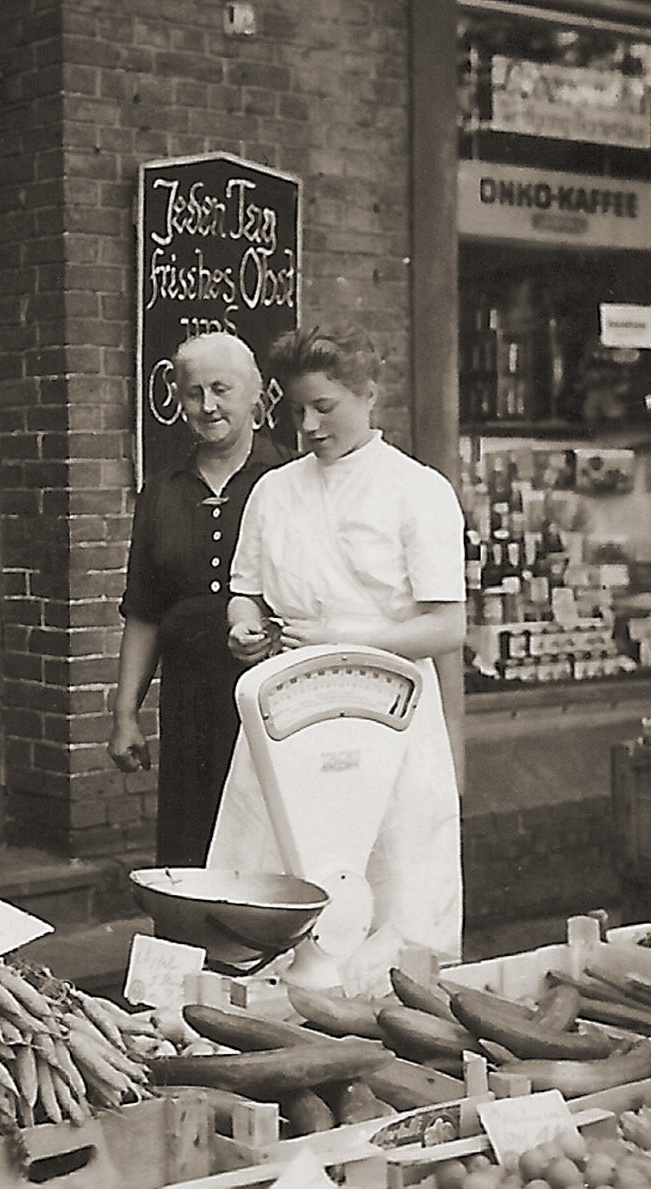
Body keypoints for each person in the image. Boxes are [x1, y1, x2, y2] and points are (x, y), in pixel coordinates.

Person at [215, 325, 465, 962]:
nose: (308, 425)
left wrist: (346, 637)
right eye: (296, 409)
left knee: (394, 879)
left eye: (324, 407)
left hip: (390, 715)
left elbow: (445, 627)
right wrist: (243, 626)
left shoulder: (418, 490)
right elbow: (247, 591)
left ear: (369, 395)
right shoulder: (274, 490)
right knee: (276, 872)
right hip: (289, 712)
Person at [107, 332, 285, 865]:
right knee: (191, 846)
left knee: (265, 844)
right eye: (192, 393)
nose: (207, 406)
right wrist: (124, 715)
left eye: (221, 389)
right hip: (189, 704)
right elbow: (144, 611)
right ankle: (190, 950)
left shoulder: (289, 481)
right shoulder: (162, 490)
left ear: (256, 394)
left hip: (272, 697)